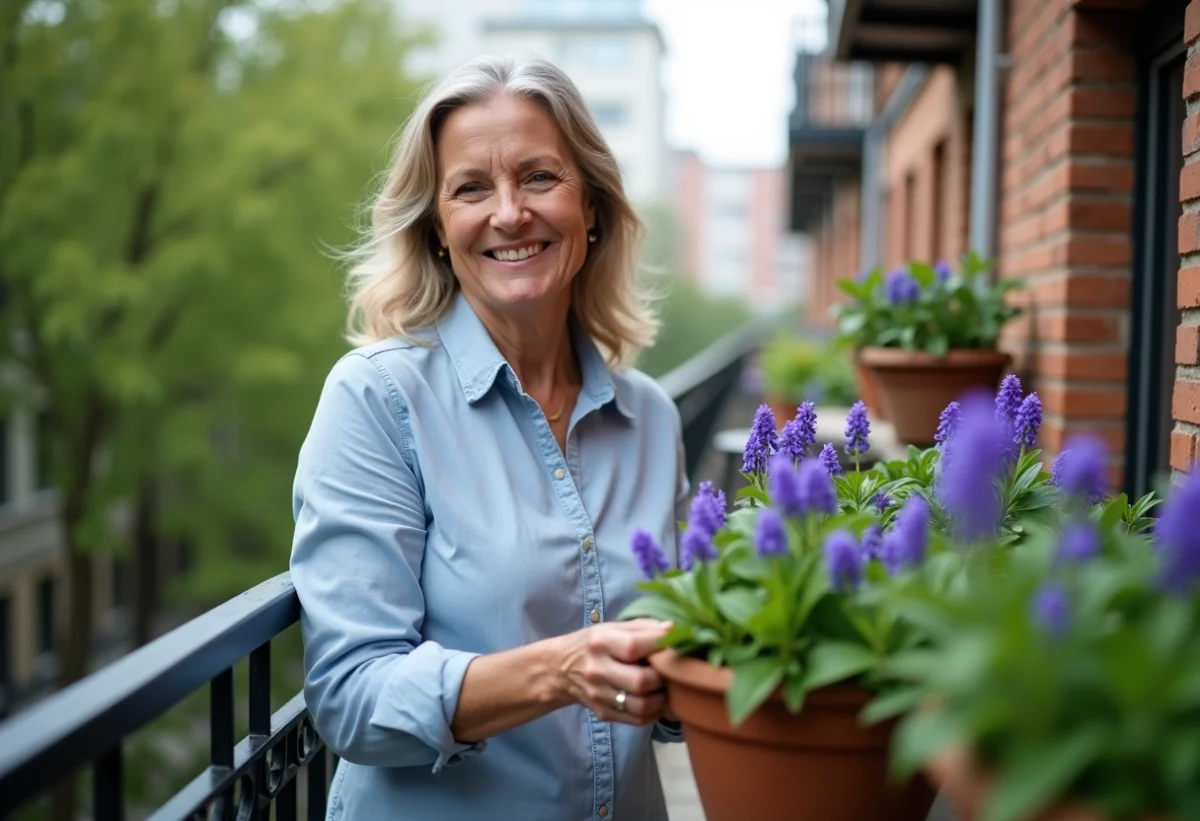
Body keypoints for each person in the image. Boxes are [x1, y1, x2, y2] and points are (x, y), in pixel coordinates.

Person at [289, 53, 688, 821]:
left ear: (591, 205)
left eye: (538, 177)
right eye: (471, 188)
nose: (509, 212)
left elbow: (674, 688)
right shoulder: (376, 400)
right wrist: (561, 669)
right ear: (438, 229)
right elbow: (349, 695)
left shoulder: (651, 417)